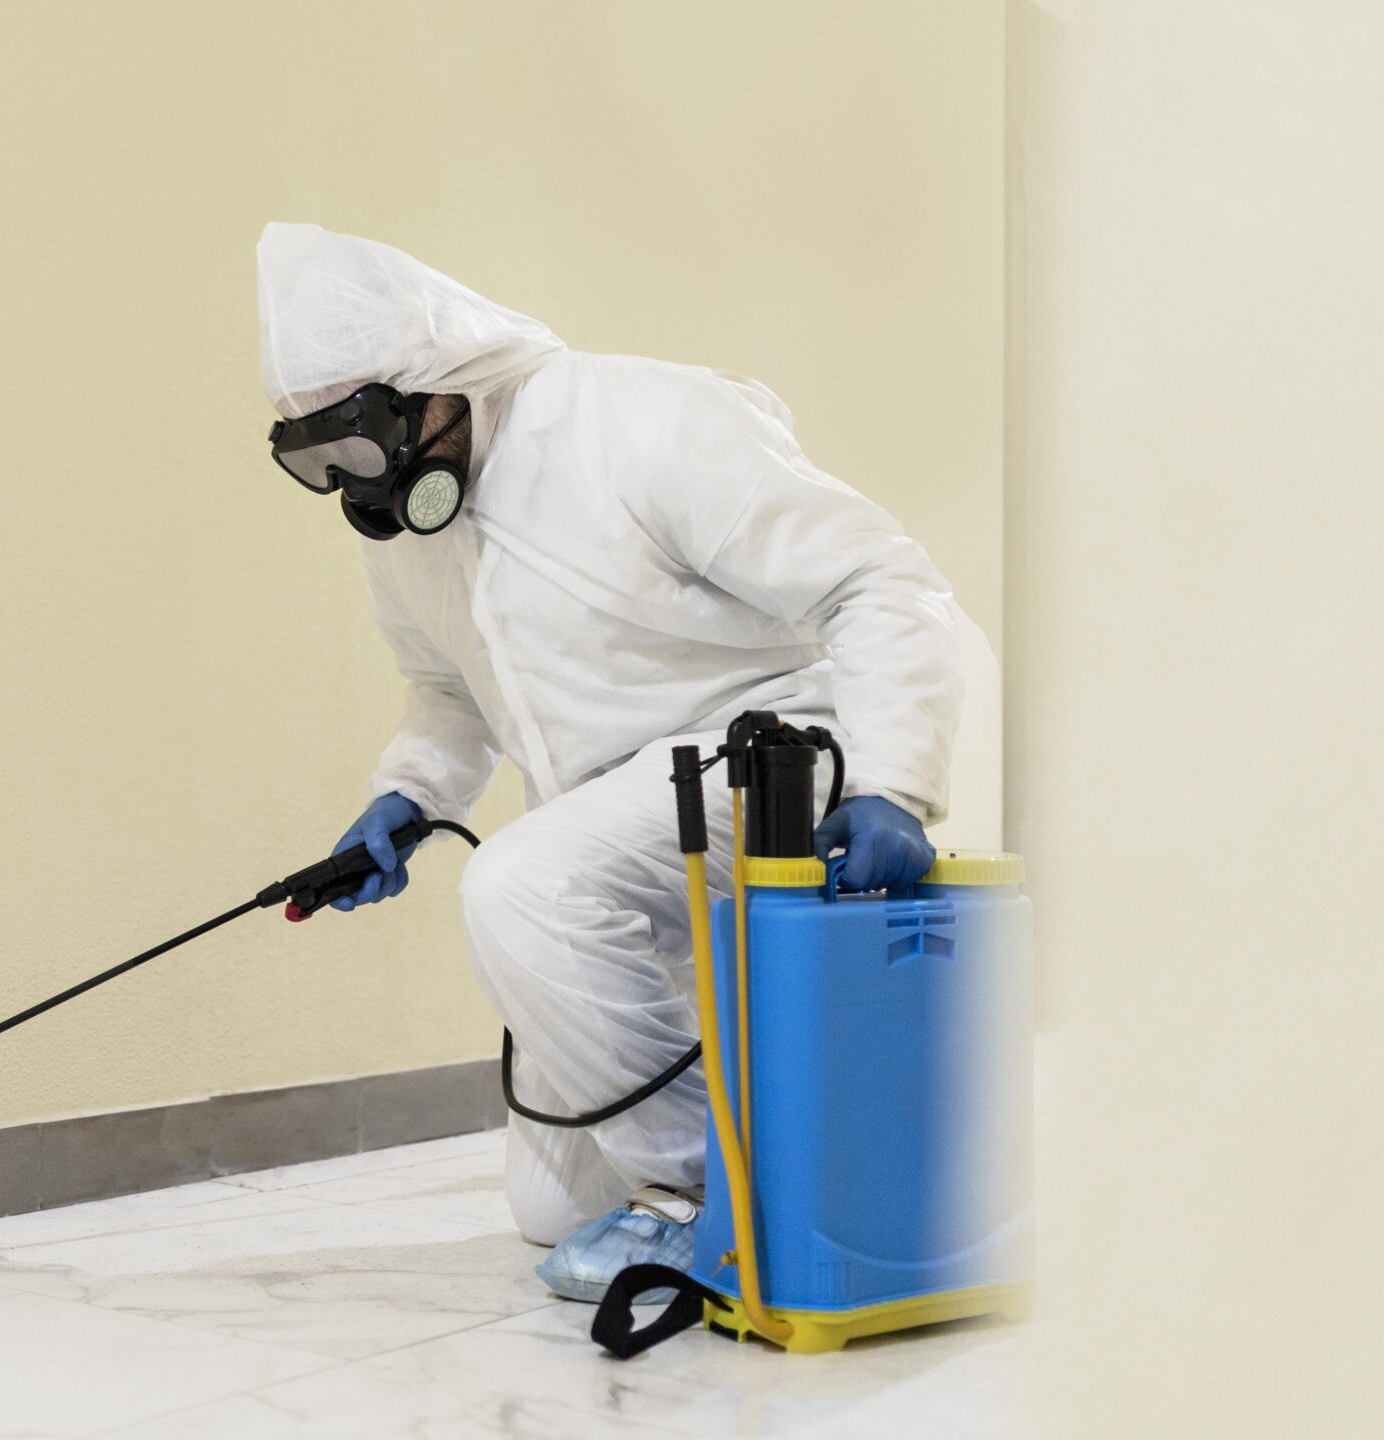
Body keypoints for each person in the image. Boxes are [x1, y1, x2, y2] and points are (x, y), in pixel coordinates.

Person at [258, 222, 963, 1299]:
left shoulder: (640, 421)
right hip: (606, 826)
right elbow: (448, 690)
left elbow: (879, 582)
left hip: (761, 769)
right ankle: (715, 1137)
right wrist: (406, 795)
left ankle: (703, 1208)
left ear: (441, 378)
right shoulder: (406, 535)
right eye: (324, 460)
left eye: (368, 437)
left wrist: (893, 781)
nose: (366, 479)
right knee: (547, 1214)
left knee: (521, 883)